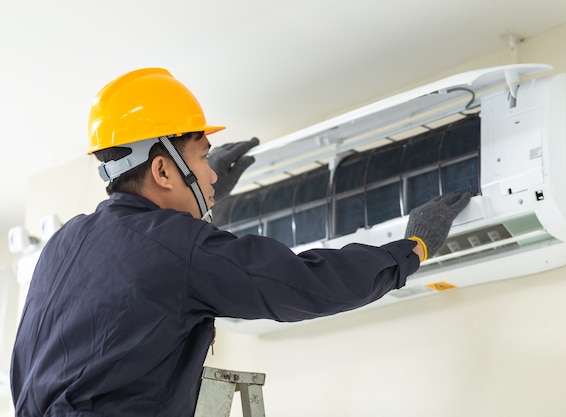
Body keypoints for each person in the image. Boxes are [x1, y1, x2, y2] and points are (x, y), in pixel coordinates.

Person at [10, 68, 471, 416]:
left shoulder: (62, 243)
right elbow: (306, 283)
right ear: (163, 171)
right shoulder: (177, 249)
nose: (210, 173)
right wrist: (411, 250)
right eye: (203, 158)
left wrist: (203, 196)